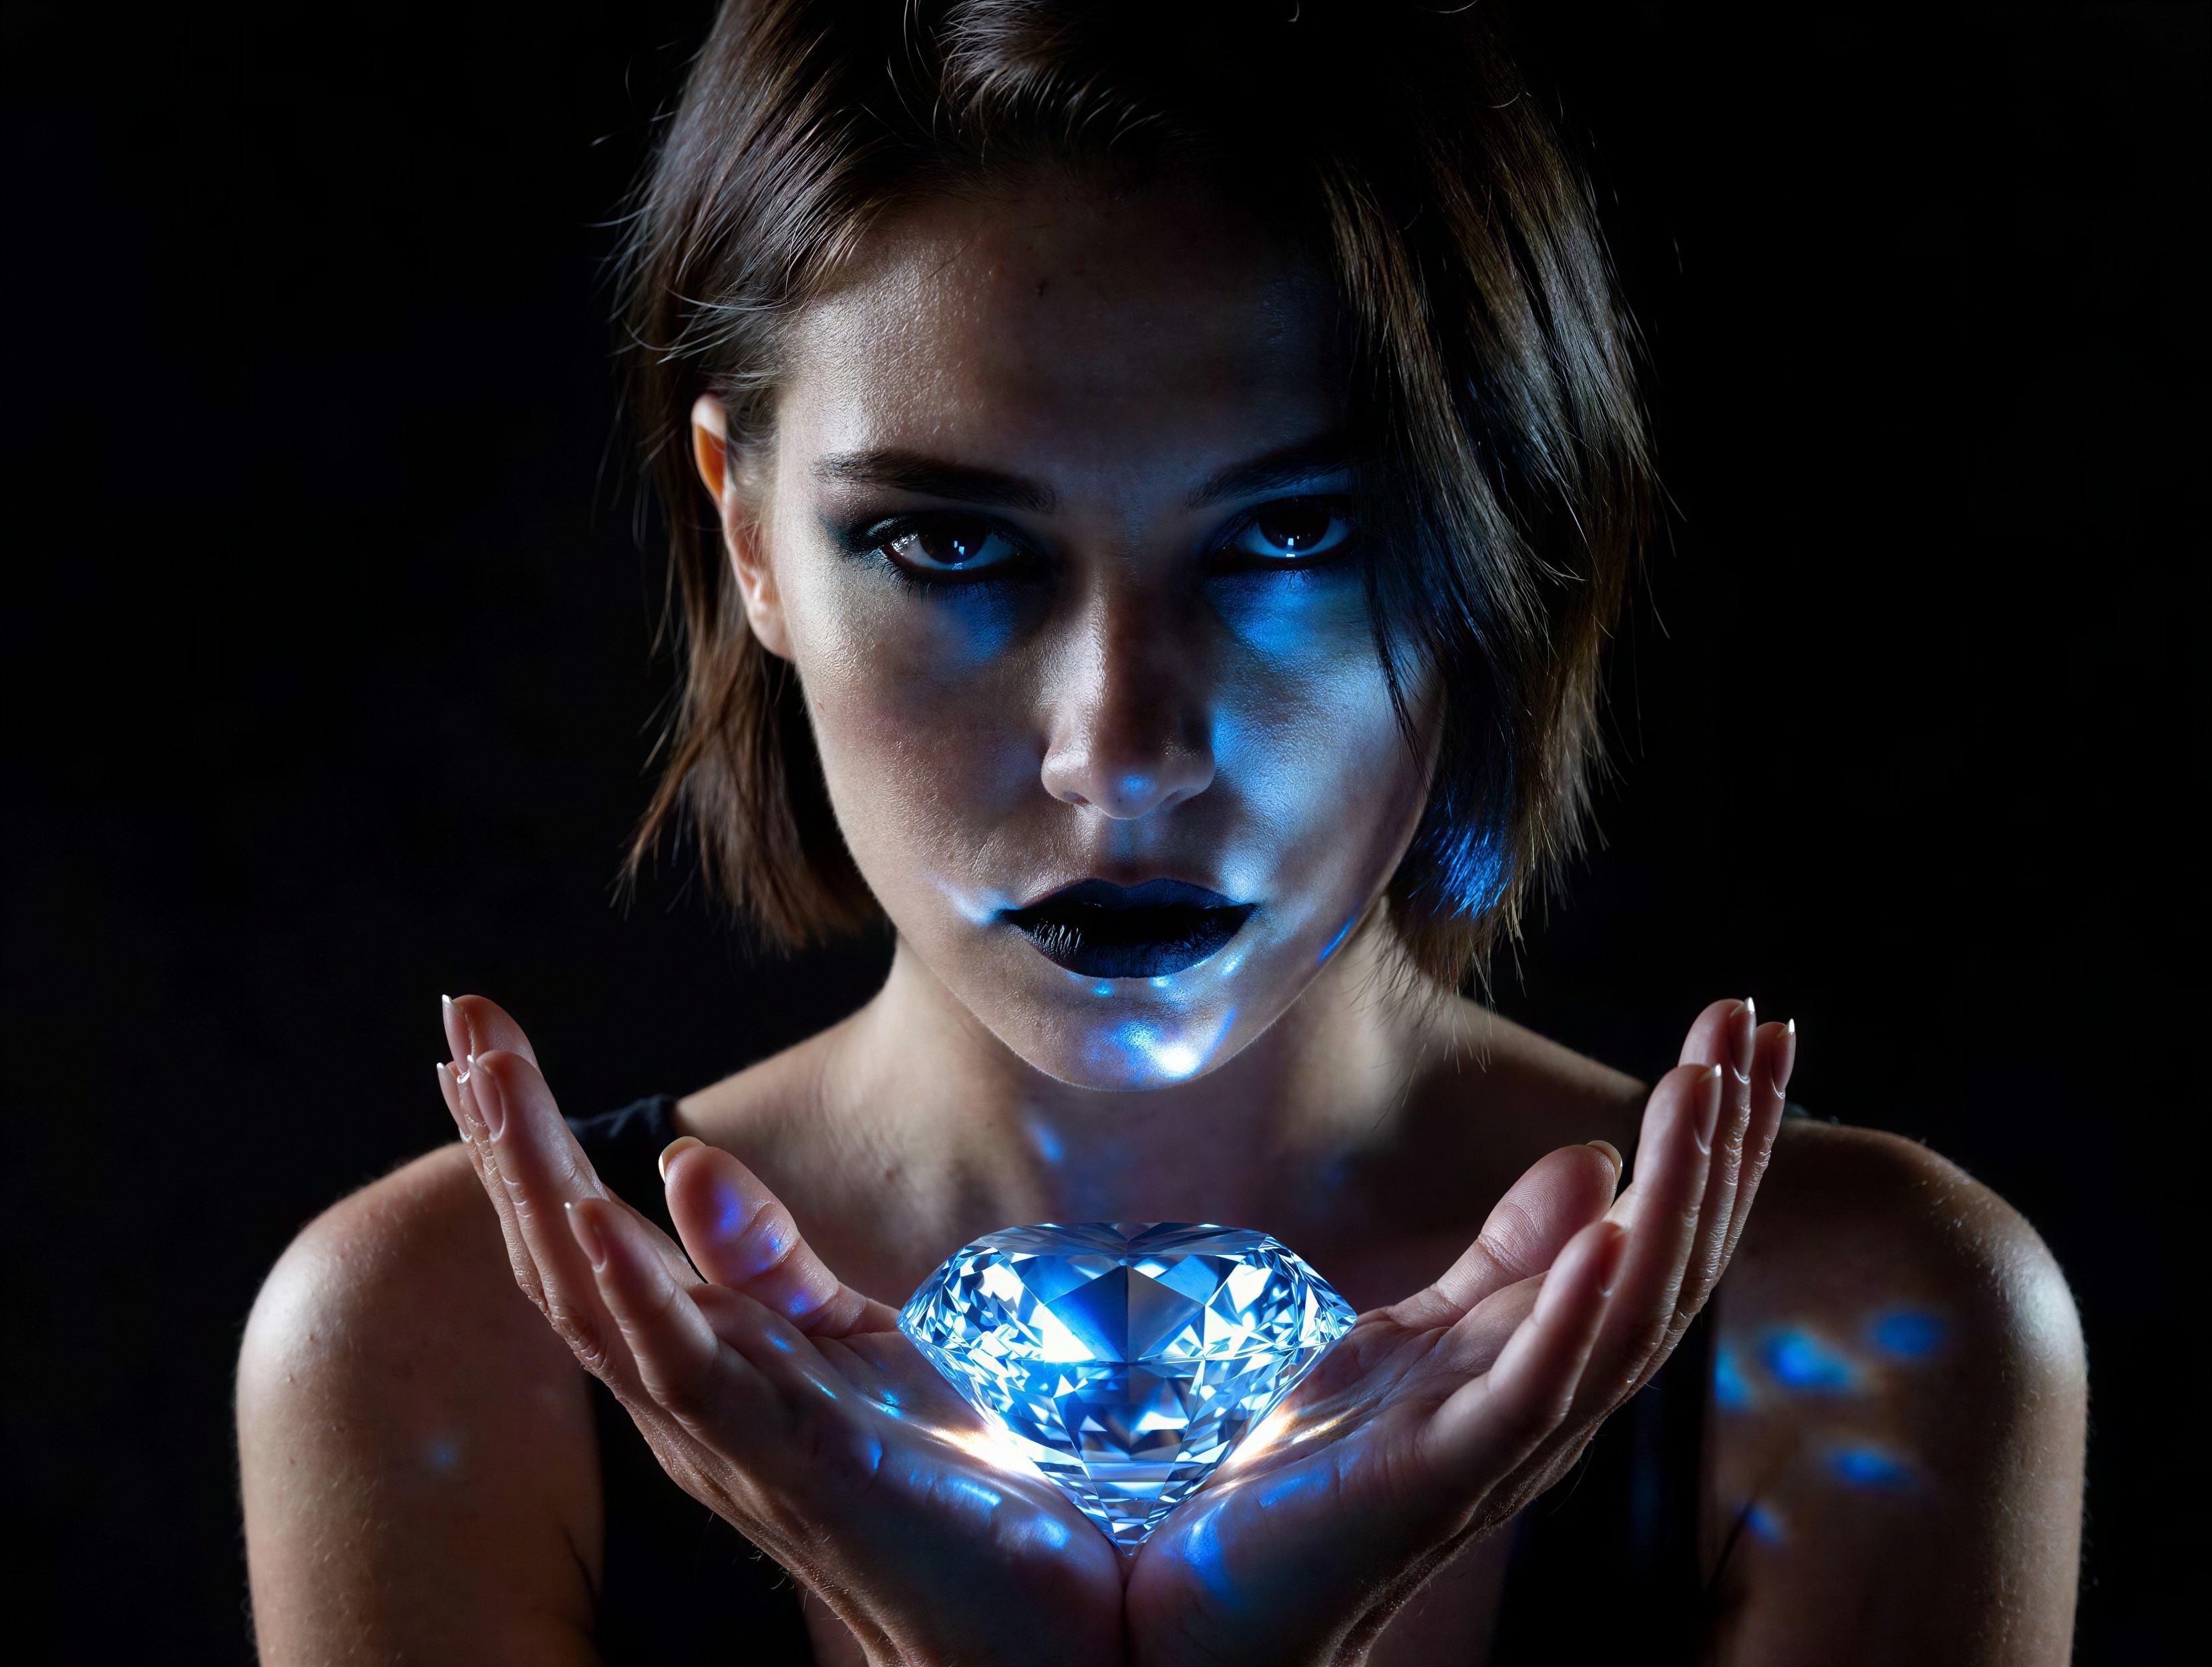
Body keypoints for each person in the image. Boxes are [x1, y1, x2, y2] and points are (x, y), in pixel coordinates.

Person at [236, 3, 2088, 1662]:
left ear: (1488, 535)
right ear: (746, 539)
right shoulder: (435, 1356)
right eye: (951, 546)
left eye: (1288, 541)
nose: (1118, 759)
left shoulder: (1863, 1342)